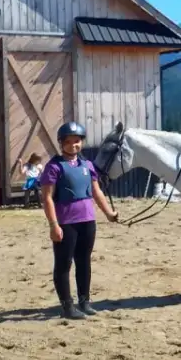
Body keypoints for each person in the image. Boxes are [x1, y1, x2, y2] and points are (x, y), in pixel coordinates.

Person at [38, 122, 119, 320]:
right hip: (66, 222)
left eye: (77, 141)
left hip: (87, 221)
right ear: (61, 143)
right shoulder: (54, 167)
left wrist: (108, 213)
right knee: (64, 263)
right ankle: (67, 306)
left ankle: (84, 301)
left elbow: (96, 191)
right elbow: (47, 197)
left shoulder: (88, 165)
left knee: (84, 262)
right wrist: (53, 225)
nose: (73, 145)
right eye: (69, 142)